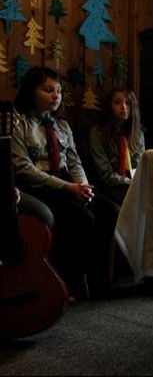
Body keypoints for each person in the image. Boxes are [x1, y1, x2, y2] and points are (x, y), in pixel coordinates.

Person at [11, 66, 119, 299]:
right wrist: (68, 187)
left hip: (68, 183)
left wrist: (83, 185)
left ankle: (98, 277)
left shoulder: (62, 125)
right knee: (82, 217)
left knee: (110, 210)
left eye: (59, 91)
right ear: (31, 91)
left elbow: (74, 161)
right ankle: (70, 279)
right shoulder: (20, 124)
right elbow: (23, 168)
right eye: (48, 90)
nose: (55, 96)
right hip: (39, 186)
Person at [89, 87, 145, 207]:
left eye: (127, 103)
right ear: (109, 106)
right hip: (109, 185)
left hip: (133, 184)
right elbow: (105, 174)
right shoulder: (98, 133)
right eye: (117, 103)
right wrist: (130, 182)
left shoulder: (138, 133)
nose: (124, 107)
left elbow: (141, 165)